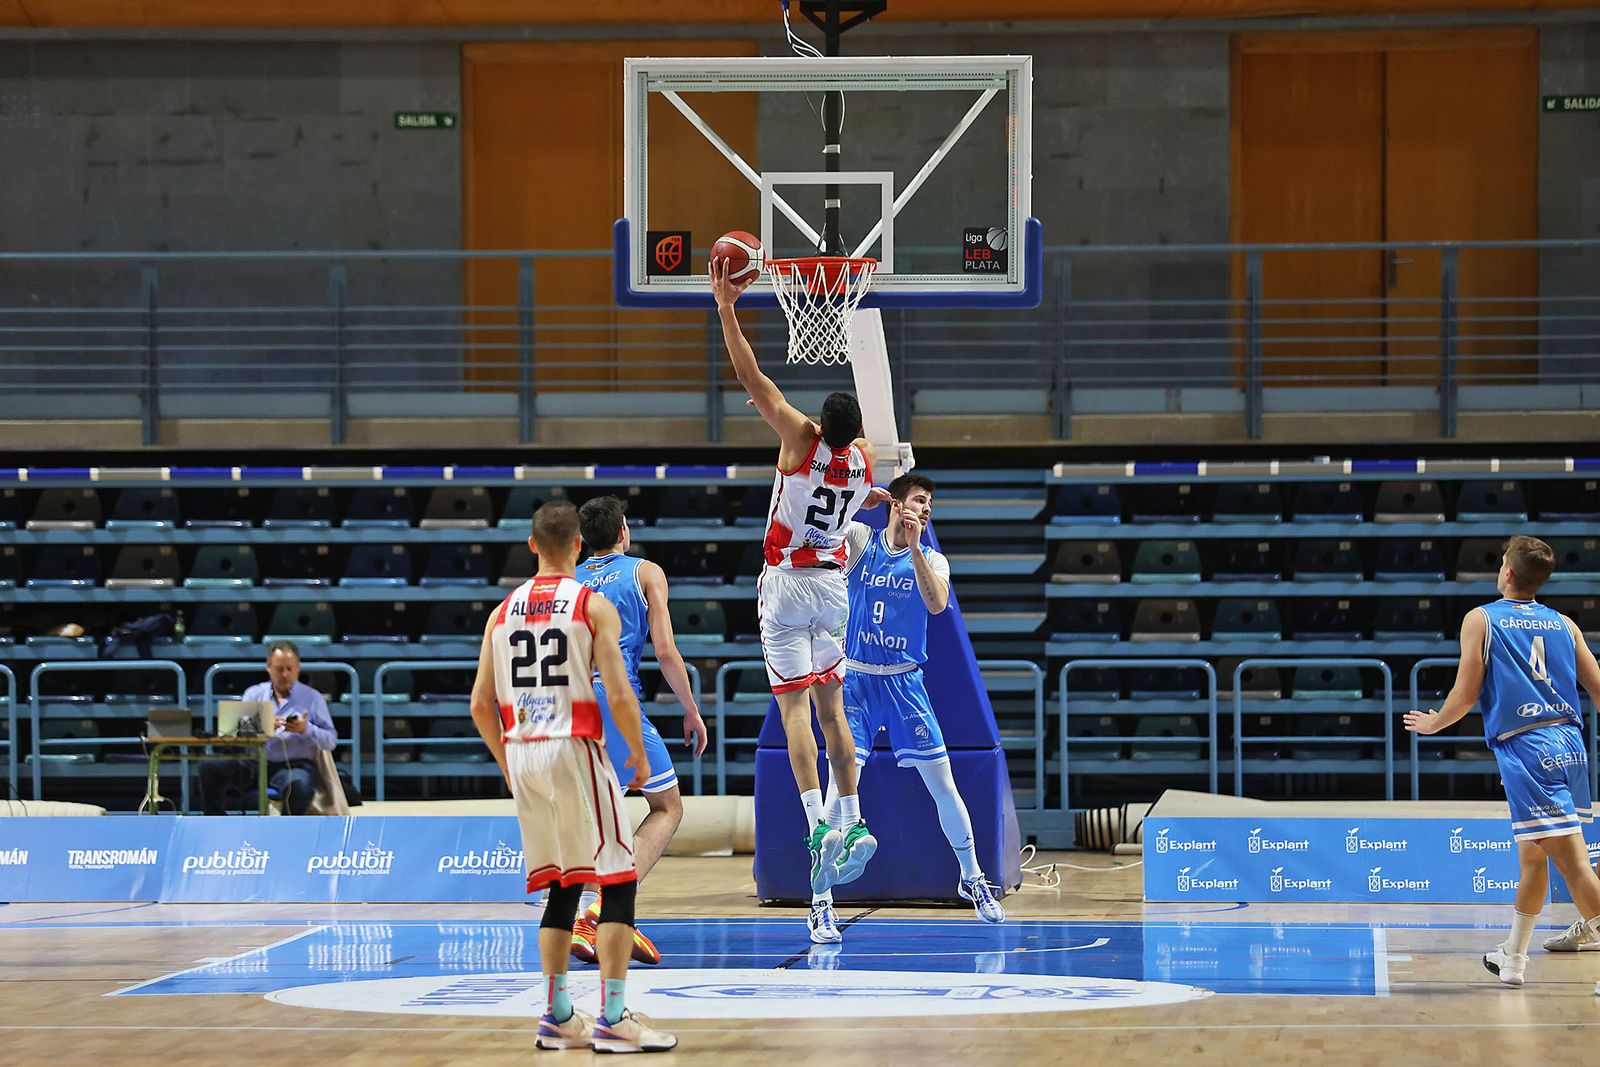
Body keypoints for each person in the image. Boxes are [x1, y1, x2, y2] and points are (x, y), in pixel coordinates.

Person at [468, 500, 675, 1053]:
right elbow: (622, 689)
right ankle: (612, 1016)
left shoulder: (501, 611)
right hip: (574, 744)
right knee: (618, 876)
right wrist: (635, 750)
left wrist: (506, 764)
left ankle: (558, 1014)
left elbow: (480, 705)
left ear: (532, 545)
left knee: (561, 884)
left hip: (525, 751)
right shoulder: (591, 605)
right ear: (577, 546)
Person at [712, 256, 888, 897]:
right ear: (856, 435)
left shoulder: (798, 439)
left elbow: (752, 378)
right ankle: (856, 816)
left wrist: (727, 307)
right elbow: (867, 497)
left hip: (786, 582)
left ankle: (818, 824)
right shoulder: (865, 465)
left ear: (819, 424)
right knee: (834, 708)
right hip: (834, 587)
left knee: (793, 709)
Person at [808, 474, 1004, 944]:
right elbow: (822, 531)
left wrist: (915, 548)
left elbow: (937, 605)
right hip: (854, 679)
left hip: (904, 682)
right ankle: (820, 904)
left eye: (930, 503)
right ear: (897, 504)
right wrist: (863, 497)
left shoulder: (933, 558)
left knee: (944, 785)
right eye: (919, 500)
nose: (926, 508)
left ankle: (972, 877)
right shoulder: (860, 538)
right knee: (837, 790)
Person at [1405, 534, 1600, 994]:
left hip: (1528, 747)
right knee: (1534, 856)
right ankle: (1513, 957)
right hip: (1571, 745)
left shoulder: (1482, 618)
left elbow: (1466, 692)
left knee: (1573, 864)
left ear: (1507, 572)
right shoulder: (1564, 623)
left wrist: (1436, 724)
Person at [566, 494, 710, 966]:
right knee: (667, 807)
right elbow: (666, 651)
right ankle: (603, 912)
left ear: (584, 541)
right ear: (624, 531)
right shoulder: (645, 572)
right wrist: (691, 709)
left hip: (570, 706)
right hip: (614, 700)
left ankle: (607, 918)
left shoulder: (568, 581)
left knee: (602, 815)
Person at [199, 639, 337, 816]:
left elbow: (330, 741)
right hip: (253, 763)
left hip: (294, 766)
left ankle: (285, 832)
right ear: (269, 668)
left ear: (298, 669)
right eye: (279, 669)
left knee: (300, 786)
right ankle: (215, 821)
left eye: (290, 669)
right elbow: (233, 736)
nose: (285, 674)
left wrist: (305, 729)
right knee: (210, 766)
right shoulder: (253, 693)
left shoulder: (312, 697)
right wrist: (261, 727)